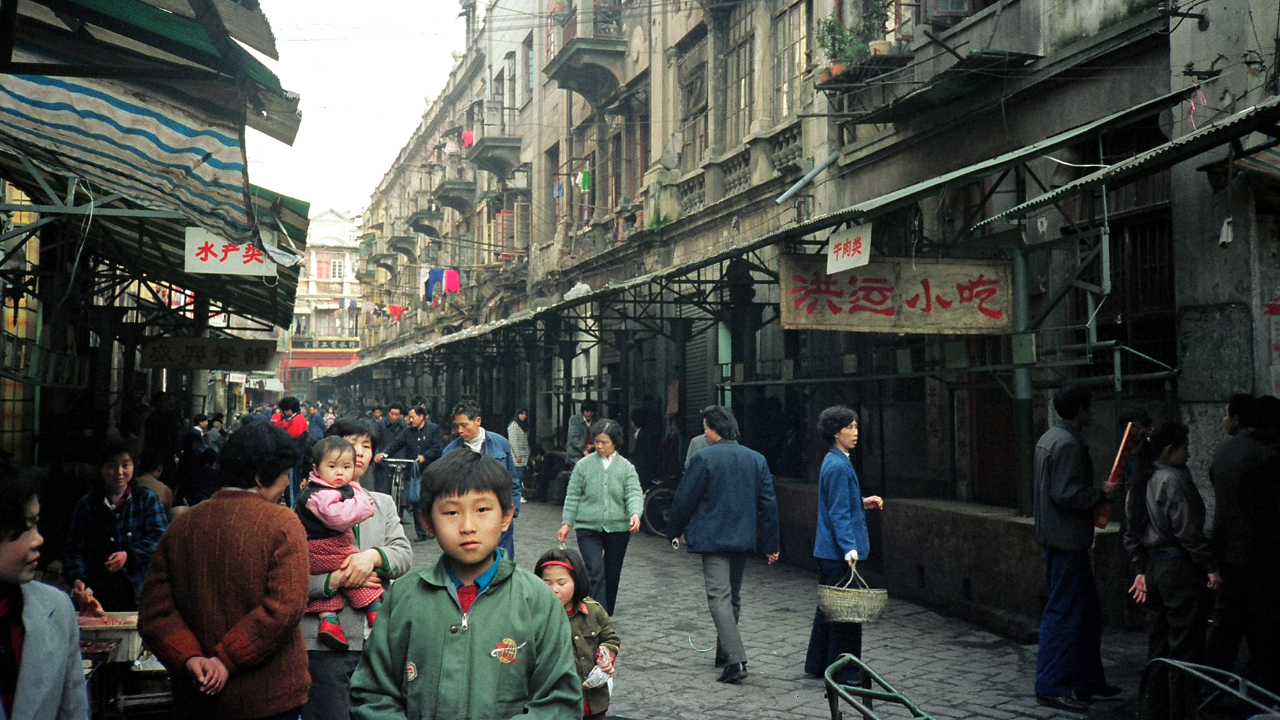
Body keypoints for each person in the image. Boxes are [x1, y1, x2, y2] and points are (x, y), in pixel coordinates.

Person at [349, 449, 581, 719]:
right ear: (428, 521)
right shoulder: (405, 596)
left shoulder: (537, 600)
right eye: (451, 513)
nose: (468, 526)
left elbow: (559, 702)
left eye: (482, 509)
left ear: (506, 516)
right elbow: (372, 695)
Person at [138, 423, 310, 720]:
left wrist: (191, 658)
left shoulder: (182, 525)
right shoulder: (283, 523)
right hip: (269, 701)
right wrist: (225, 660)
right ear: (259, 477)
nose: (286, 483)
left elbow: (156, 612)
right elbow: (284, 608)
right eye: (283, 475)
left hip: (197, 698)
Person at [301, 418, 413, 720]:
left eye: (367, 446)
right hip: (323, 645)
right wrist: (334, 579)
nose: (360, 452)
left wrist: (372, 559)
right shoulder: (307, 505)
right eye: (351, 444)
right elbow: (291, 575)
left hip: (377, 641)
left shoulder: (382, 503)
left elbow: (403, 554)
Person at [666, 405, 780, 685]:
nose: (704, 433)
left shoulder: (704, 458)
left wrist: (674, 530)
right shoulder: (756, 459)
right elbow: (769, 504)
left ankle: (736, 659)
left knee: (719, 596)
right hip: (743, 538)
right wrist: (771, 542)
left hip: (713, 538)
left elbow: (685, 499)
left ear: (714, 429)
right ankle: (724, 652)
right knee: (734, 596)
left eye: (705, 428)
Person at [1032, 385, 1121, 712]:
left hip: (1059, 539)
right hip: (1067, 541)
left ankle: (1087, 681)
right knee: (1065, 614)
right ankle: (1052, 685)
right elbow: (1066, 494)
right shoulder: (1067, 444)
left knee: (1085, 614)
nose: (1093, 413)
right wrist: (1102, 494)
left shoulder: (1050, 438)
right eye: (1090, 407)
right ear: (1080, 410)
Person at [1124, 423, 1220, 720]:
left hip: (1153, 567)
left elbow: (1131, 535)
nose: (1189, 454)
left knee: (1159, 644)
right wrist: (1210, 567)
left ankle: (1154, 710)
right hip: (1178, 568)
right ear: (1170, 450)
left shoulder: (1139, 481)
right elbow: (1189, 532)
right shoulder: (1172, 480)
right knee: (1184, 648)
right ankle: (1181, 712)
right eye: (1185, 447)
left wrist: (1140, 568)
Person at [0, 466, 90, 720]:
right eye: (26, 527)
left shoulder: (56, 608)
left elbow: (73, 710)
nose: (38, 539)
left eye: (36, 524)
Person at [1205, 394, 1280, 692]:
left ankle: (1212, 685)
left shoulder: (1224, 451)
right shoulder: (1266, 458)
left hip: (1227, 553)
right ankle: (1258, 688)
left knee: (1226, 625)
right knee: (1263, 626)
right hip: (1260, 558)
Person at [804, 406, 884, 684]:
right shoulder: (839, 465)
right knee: (846, 614)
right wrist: (850, 548)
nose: (856, 432)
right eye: (850, 427)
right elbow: (838, 512)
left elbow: (839, 504)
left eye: (856, 426)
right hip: (838, 552)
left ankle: (817, 663)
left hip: (827, 550)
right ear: (836, 432)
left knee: (828, 609)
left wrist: (862, 503)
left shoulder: (834, 460)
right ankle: (845, 671)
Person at [295, 436, 381, 651]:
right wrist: (362, 505)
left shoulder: (346, 488)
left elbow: (402, 552)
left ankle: (329, 621)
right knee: (352, 569)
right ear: (317, 468)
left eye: (346, 467)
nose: (339, 472)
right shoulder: (317, 494)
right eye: (332, 466)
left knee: (334, 586)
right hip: (323, 549)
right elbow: (338, 517)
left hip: (323, 551)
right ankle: (375, 608)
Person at [63, 441, 167, 611]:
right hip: (97, 593)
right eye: (111, 466)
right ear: (101, 468)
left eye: (125, 465)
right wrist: (77, 579)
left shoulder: (147, 499)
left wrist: (129, 555)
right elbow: (74, 548)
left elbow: (160, 538)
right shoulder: (87, 504)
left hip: (138, 592)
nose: (119, 472)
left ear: (134, 466)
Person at [557, 419, 643, 615]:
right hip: (588, 527)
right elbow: (573, 495)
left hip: (618, 529)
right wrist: (566, 523)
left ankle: (606, 611)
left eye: (604, 442)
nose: (599, 446)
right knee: (595, 571)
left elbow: (633, 493)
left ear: (615, 442)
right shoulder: (583, 465)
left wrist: (635, 513)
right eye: (596, 441)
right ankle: (598, 613)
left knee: (612, 573)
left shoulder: (626, 467)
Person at [535, 547, 620, 720]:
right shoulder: (536, 617)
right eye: (547, 583)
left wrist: (605, 654)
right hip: (556, 705)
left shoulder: (593, 611)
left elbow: (610, 638)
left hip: (594, 702)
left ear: (576, 582)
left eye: (561, 583)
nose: (554, 590)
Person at [443, 400, 522, 560]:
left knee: (503, 561)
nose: (460, 430)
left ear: (477, 421)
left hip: (499, 514)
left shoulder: (500, 444)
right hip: (468, 517)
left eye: (464, 425)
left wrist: (512, 511)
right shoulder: (450, 451)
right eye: (457, 426)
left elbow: (513, 481)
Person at [379, 405, 442, 541]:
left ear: (421, 417)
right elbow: (396, 443)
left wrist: (425, 456)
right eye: (409, 417)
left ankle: (434, 528)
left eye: (412, 417)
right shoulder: (408, 432)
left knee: (430, 501)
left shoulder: (433, 429)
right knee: (415, 501)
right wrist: (385, 453)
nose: (410, 420)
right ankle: (421, 532)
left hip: (430, 471)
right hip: (414, 473)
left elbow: (437, 447)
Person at [371, 403, 407, 496]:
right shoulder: (379, 425)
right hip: (383, 463)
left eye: (397, 414)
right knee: (383, 492)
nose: (394, 417)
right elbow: (374, 442)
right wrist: (377, 455)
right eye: (392, 414)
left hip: (399, 462)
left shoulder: (404, 427)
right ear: (388, 413)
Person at [507, 409, 531, 491]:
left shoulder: (522, 426)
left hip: (524, 455)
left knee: (521, 475)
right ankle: (516, 493)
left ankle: (519, 493)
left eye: (525, 415)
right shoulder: (514, 426)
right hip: (517, 456)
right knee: (518, 476)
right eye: (522, 414)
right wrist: (517, 455)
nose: (524, 416)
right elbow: (513, 442)